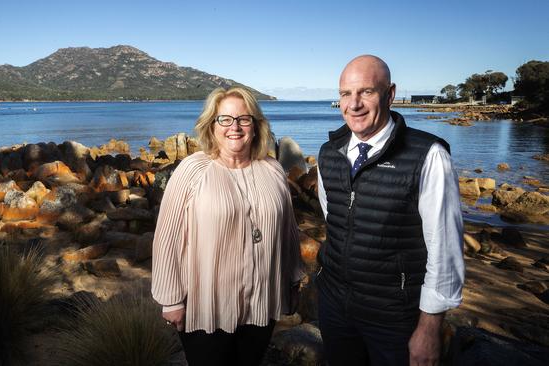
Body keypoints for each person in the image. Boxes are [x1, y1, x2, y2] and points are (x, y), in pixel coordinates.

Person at [316, 55, 465, 366]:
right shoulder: (329, 154)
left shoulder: (428, 156)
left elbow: (445, 248)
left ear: (390, 94)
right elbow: (335, 221)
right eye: (345, 94)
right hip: (335, 308)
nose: (353, 104)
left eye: (366, 92)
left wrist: (429, 326)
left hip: (395, 317)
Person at [152, 86, 304, 366]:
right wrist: (171, 299)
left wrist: (293, 281)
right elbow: (167, 237)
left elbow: (289, 232)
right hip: (207, 306)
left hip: (261, 302)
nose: (235, 126)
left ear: (256, 126)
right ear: (212, 126)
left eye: (244, 119)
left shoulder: (273, 170)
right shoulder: (192, 170)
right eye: (225, 119)